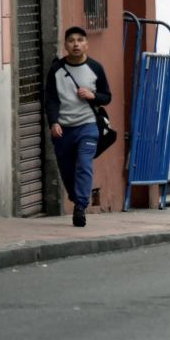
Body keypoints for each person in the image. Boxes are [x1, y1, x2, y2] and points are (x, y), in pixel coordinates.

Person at [43, 26, 113, 228]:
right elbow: (51, 100)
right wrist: (54, 122)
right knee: (66, 170)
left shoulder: (96, 68)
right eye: (71, 40)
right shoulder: (56, 70)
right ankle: (76, 197)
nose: (76, 44)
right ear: (65, 45)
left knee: (84, 164)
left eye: (80, 40)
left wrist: (94, 96)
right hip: (63, 128)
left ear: (86, 44)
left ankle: (80, 207)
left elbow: (107, 97)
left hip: (88, 126)